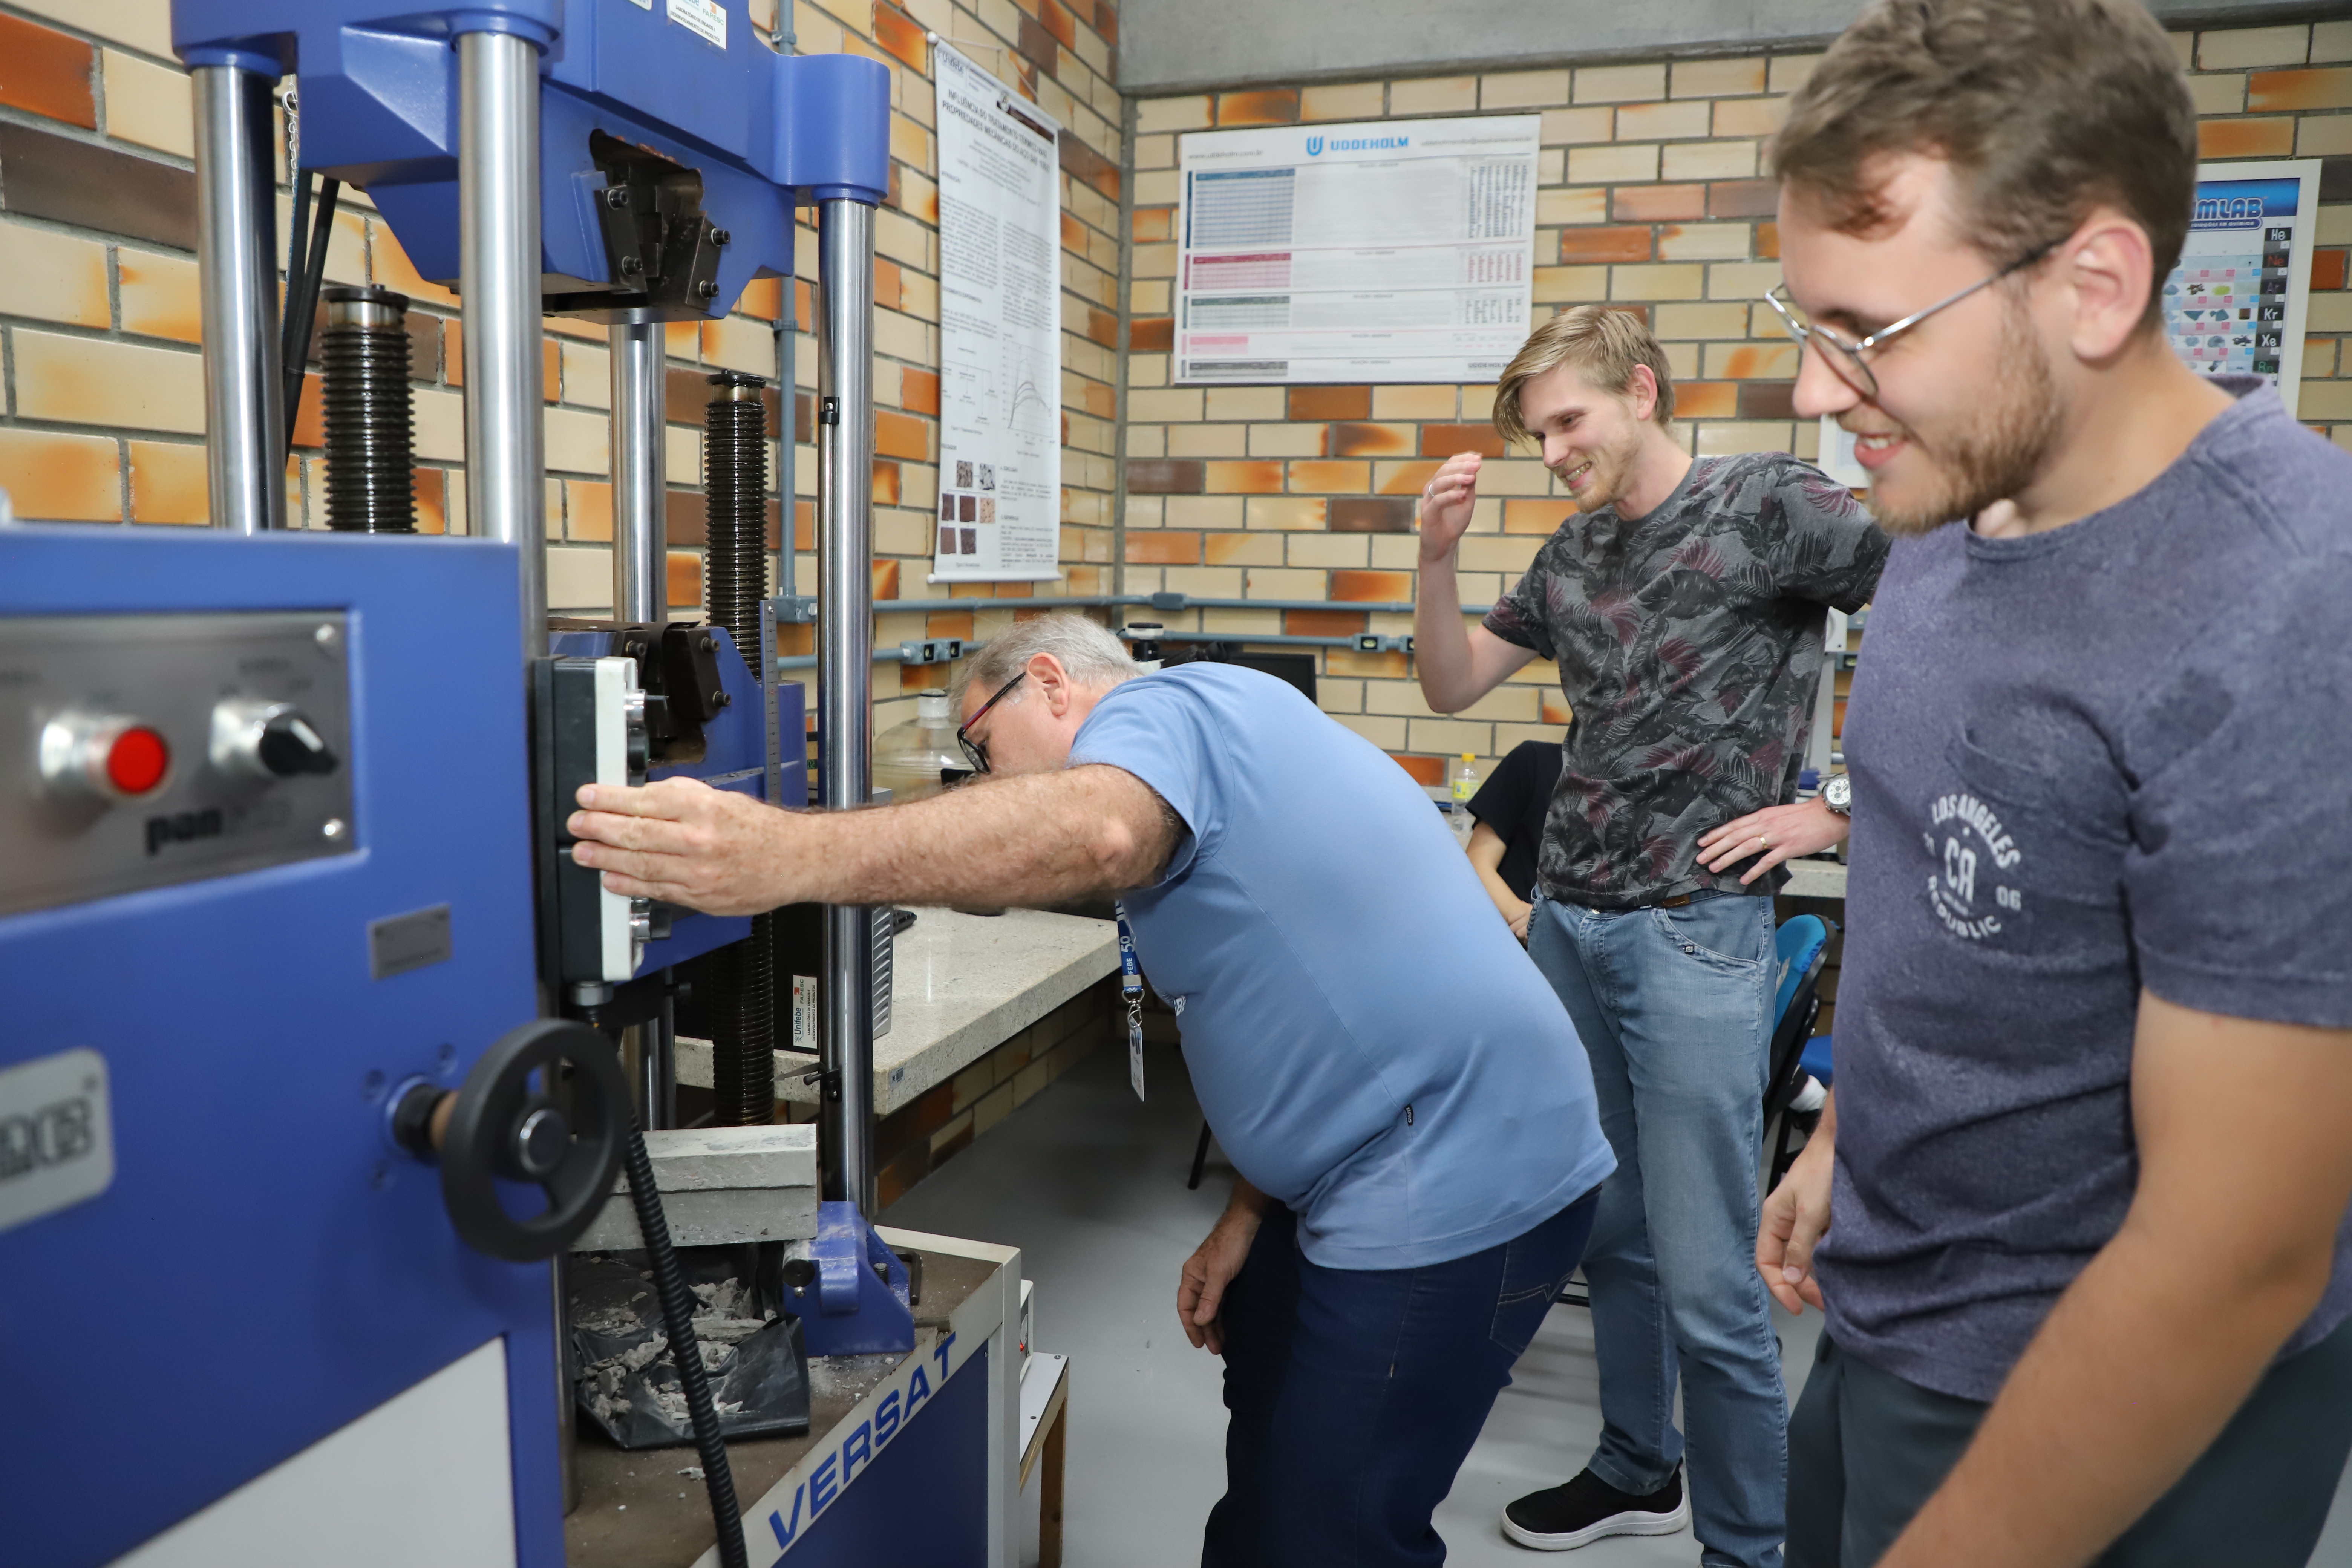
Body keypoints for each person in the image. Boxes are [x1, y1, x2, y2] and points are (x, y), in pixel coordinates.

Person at [565, 614, 1617, 1567]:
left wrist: (783, 856)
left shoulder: (1175, 705)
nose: (982, 783)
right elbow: (1286, 1005)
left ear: (1054, 684)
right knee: (1269, 1442)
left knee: (1333, 1528)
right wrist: (1250, 1208)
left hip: (1459, 1166)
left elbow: (1098, 828)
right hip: (1351, 1165)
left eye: (981, 749)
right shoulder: (1217, 749)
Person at [1753, 3, 2352, 1564]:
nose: (1817, 394)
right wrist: (1837, 1134)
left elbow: (2239, 1248)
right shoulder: (1953, 496)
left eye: (1866, 334)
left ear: (2094, 284)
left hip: (2115, 1379)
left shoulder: (2290, 601)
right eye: (1804, 321)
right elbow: (1927, 869)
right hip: (1891, 1296)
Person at [1415, 305, 1886, 1567]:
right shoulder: (1570, 555)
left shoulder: (1771, 504)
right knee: (1609, 1234)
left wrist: (1835, 807)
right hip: (1570, 924)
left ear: (1644, 389)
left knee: (1713, 1283)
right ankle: (1637, 1465)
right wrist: (1436, 559)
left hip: (1693, 935)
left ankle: (1749, 1547)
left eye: (1570, 420)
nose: (1556, 450)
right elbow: (1452, 682)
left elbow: (1947, 599)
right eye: (1538, 434)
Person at [1465, 738, 1564, 941]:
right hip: (1512, 944)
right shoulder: (1535, 760)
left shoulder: (1641, 786)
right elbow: (1477, 862)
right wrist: (1522, 915)